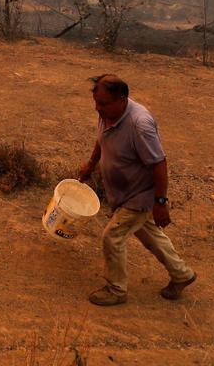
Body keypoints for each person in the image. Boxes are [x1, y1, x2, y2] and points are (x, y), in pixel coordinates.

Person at [78, 73, 196, 306]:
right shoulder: (108, 113)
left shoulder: (139, 124)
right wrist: (91, 164)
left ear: (122, 99)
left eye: (102, 104)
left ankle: (116, 290)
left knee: (112, 237)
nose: (97, 109)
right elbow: (102, 138)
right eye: (96, 102)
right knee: (147, 232)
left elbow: (159, 163)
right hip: (122, 192)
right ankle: (182, 274)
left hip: (139, 194)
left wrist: (161, 202)